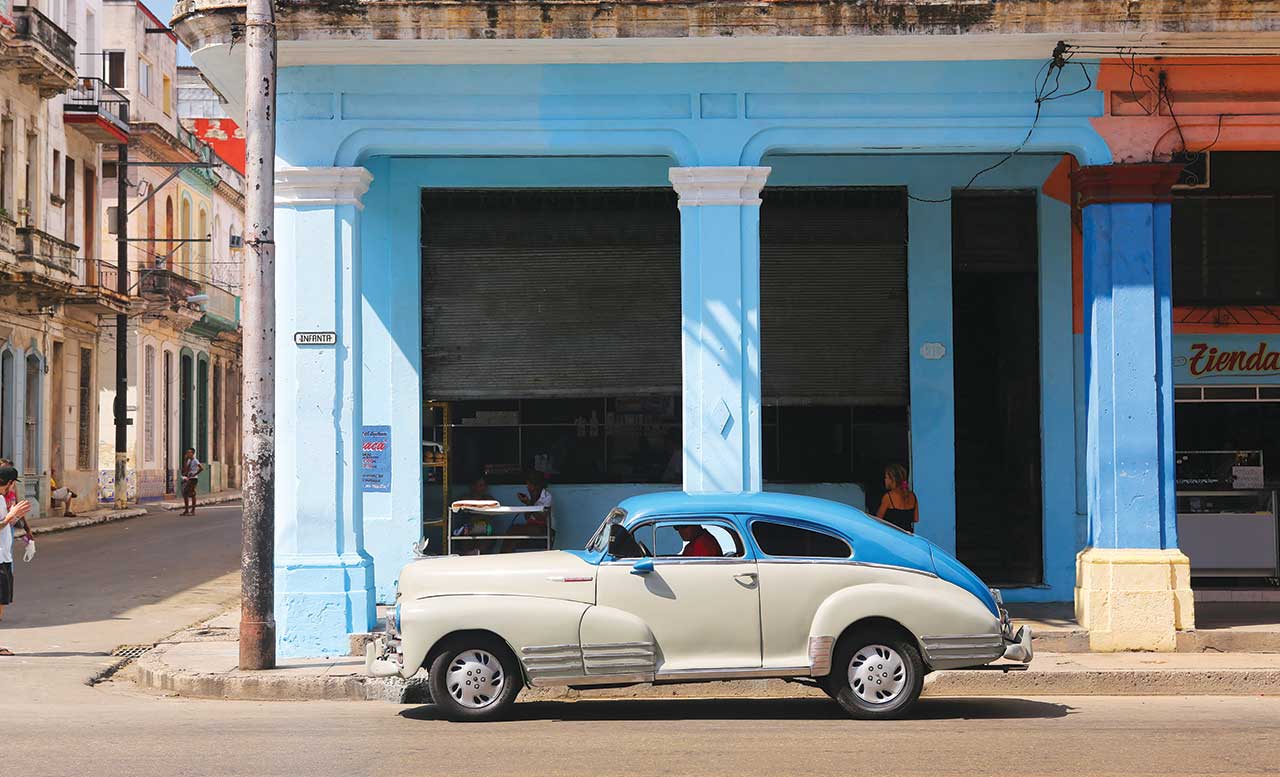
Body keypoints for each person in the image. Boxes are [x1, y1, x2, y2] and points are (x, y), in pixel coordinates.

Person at [0, 466, 33, 656]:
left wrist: (13, 517)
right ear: (10, 483)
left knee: (2, 602)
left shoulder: (2, 500)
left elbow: (4, 524)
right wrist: (11, 517)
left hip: (4, 556)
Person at [876, 463, 919, 534]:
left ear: (892, 479)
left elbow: (878, 519)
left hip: (892, 536)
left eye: (886, 477)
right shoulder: (913, 496)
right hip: (908, 536)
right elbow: (916, 519)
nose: (885, 479)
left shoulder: (888, 497)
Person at [180, 448, 203, 516]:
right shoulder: (189, 460)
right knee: (185, 494)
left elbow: (201, 468)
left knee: (191, 494)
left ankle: (192, 511)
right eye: (187, 452)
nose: (187, 454)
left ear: (192, 453)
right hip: (189, 478)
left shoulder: (195, 460)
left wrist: (195, 474)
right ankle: (187, 510)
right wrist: (185, 460)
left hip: (193, 479)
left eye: (189, 452)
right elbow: (186, 469)